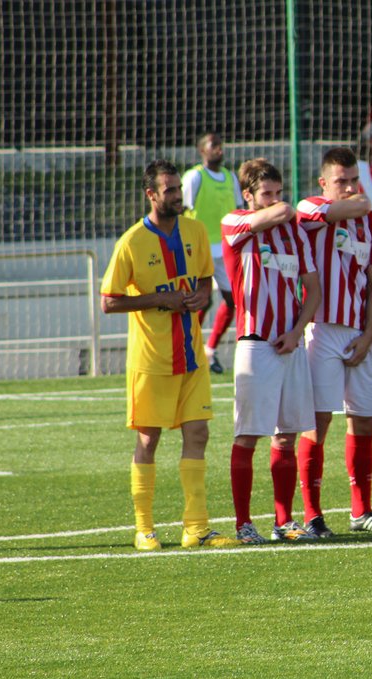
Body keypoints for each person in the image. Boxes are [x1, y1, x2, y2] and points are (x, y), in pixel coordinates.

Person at [100, 159, 240, 550]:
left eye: (179, 188)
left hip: (191, 357)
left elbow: (206, 279)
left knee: (199, 433)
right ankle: (144, 528)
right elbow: (108, 302)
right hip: (151, 361)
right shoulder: (131, 242)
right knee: (148, 441)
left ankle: (196, 527)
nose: (179, 196)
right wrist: (160, 299)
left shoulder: (195, 231)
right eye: (171, 190)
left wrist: (201, 295)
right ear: (151, 194)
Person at [295, 148, 372, 536]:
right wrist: (360, 201)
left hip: (359, 333)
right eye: (342, 181)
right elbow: (353, 206)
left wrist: (370, 335)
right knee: (318, 422)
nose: (351, 187)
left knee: (365, 421)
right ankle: (312, 515)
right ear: (323, 183)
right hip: (322, 328)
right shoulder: (310, 208)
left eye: (355, 180)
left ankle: (361, 511)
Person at [221, 158, 322, 543]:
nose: (277, 200)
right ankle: (244, 524)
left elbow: (314, 290)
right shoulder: (236, 224)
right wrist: (284, 208)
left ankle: (284, 522)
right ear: (248, 196)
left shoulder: (294, 234)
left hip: (290, 344)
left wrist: (297, 332)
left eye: (279, 192)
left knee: (286, 437)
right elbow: (282, 212)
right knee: (248, 436)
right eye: (267, 193)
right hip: (255, 343)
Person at [181, 132, 243, 374]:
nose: (219, 149)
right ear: (202, 150)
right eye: (213, 145)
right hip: (200, 249)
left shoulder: (230, 177)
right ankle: (188, 345)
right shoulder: (194, 177)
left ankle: (209, 349)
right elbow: (182, 210)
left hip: (225, 250)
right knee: (202, 301)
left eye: (220, 145)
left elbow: (238, 209)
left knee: (233, 300)